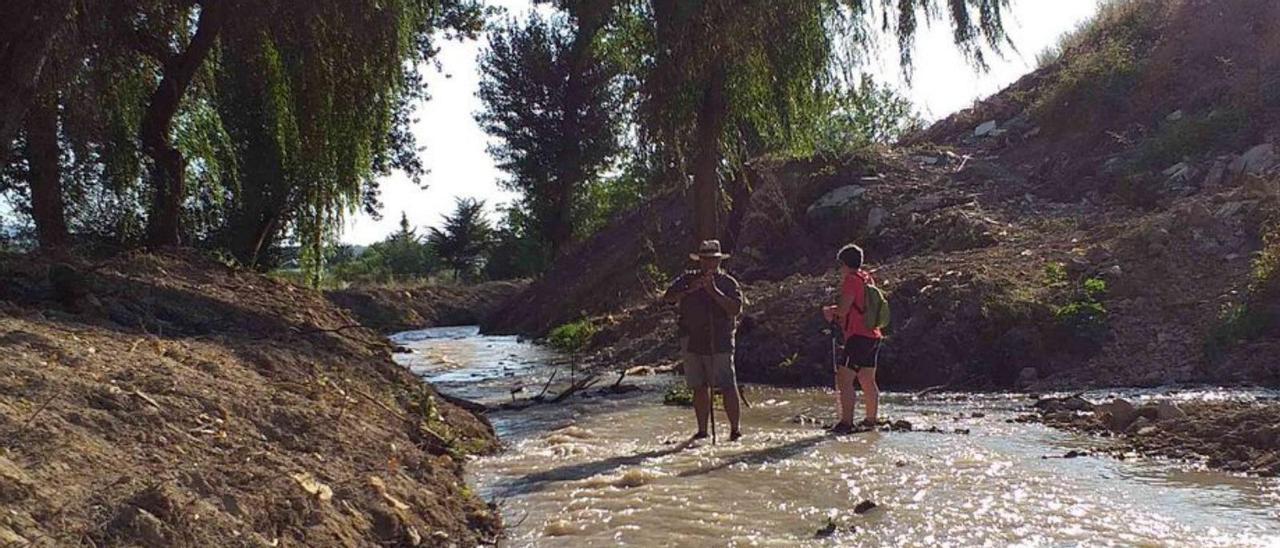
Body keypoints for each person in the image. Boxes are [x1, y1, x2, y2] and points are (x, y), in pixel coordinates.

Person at [663, 239, 746, 441]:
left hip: (720, 339)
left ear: (719, 260)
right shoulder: (687, 278)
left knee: (727, 384)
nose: (709, 263)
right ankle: (702, 430)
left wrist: (713, 292)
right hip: (692, 339)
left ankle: (735, 429)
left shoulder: (728, 283)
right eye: (705, 259)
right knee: (699, 386)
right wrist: (690, 289)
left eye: (713, 259)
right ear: (699, 260)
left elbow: (735, 309)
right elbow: (668, 298)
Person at [822, 243, 883, 434]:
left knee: (844, 378)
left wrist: (830, 311)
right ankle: (871, 419)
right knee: (867, 378)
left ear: (844, 264)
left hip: (858, 336)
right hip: (873, 335)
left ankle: (846, 422)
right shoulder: (866, 278)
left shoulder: (851, 280)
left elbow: (844, 309)